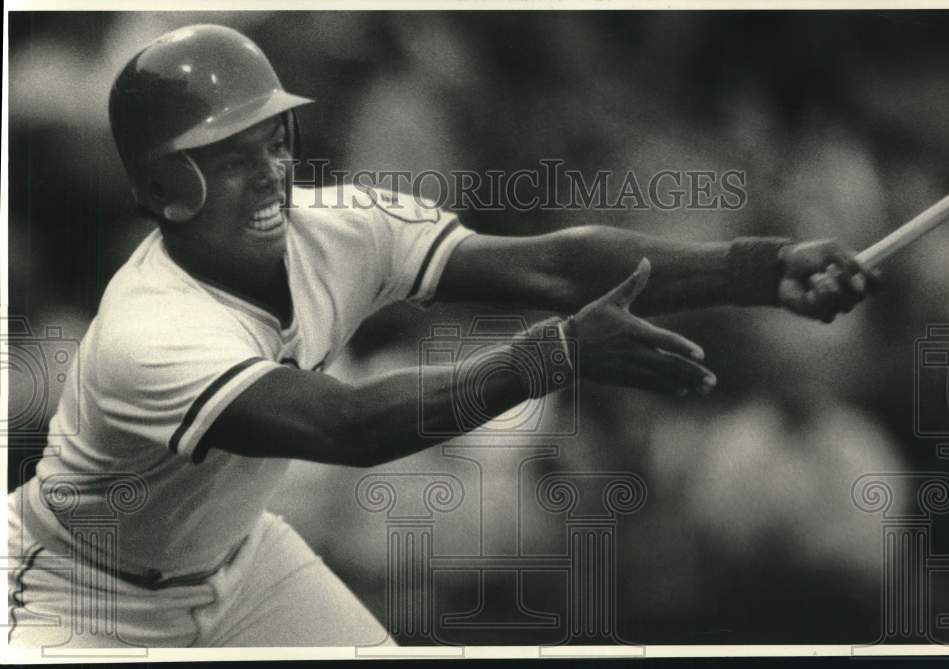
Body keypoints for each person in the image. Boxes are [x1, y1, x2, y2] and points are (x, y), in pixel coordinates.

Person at [6, 24, 877, 649]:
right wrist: (554, 356)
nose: (271, 170)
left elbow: (550, 267)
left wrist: (759, 269)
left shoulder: (336, 226)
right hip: (78, 595)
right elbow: (349, 428)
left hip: (237, 559)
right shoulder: (148, 328)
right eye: (233, 158)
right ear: (166, 186)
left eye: (276, 142)